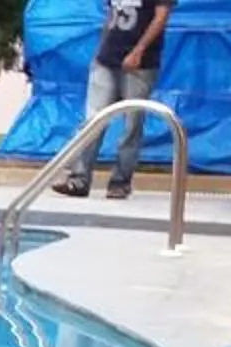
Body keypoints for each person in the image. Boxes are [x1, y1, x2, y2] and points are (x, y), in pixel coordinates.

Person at [58, 0, 176, 199]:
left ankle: (120, 182)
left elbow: (161, 16)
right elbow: (111, 16)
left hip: (140, 65)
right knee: (93, 121)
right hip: (107, 59)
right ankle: (79, 179)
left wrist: (139, 50)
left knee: (132, 124)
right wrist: (99, 53)